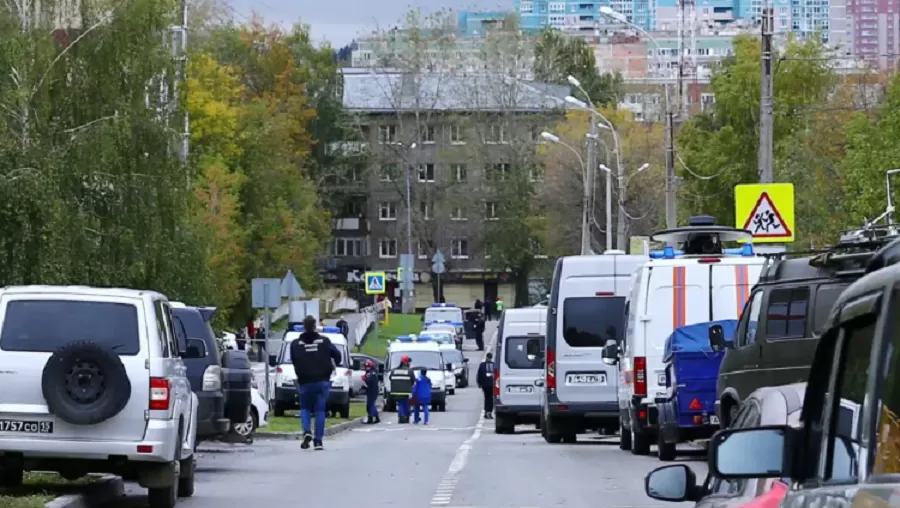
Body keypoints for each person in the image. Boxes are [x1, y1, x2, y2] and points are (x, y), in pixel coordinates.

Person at [289, 315, 342, 450]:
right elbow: (338, 356)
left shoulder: (295, 344)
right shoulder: (324, 341)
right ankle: (318, 441)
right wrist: (332, 365)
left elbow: (294, 359)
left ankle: (307, 431)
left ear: (303, 326)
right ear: (315, 326)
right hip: (322, 380)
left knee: (305, 408)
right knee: (320, 410)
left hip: (305, 381)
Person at [388, 355, 416, 424]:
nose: (409, 363)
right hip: (406, 392)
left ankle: (401, 416)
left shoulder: (394, 370)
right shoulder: (410, 371)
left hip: (396, 392)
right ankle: (405, 416)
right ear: (406, 362)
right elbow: (413, 380)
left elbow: (390, 378)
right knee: (406, 404)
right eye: (408, 362)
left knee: (400, 404)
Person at [477, 353, 497, 419]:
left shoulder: (483, 365)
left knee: (488, 398)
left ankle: (487, 412)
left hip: (488, 384)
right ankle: (488, 412)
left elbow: (479, 374)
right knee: (489, 398)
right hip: (488, 385)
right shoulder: (493, 365)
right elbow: (479, 374)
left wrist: (479, 383)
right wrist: (479, 383)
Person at [362, 360, 380, 424]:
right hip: (370, 391)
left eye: (368, 367)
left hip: (373, 391)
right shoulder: (369, 372)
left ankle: (376, 417)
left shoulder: (373, 373)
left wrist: (365, 379)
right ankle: (370, 419)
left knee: (371, 405)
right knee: (368, 406)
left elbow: (370, 381)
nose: (367, 368)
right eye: (366, 367)